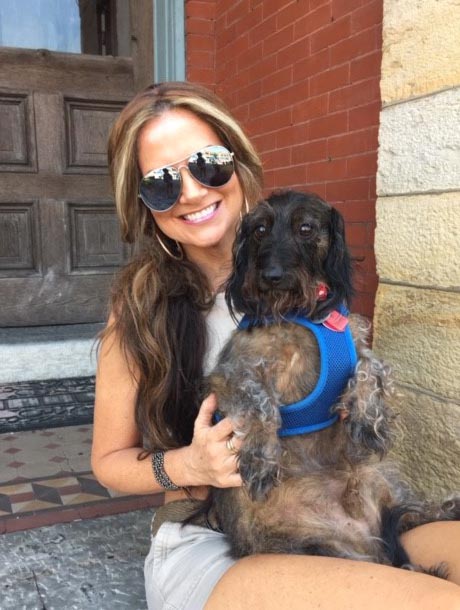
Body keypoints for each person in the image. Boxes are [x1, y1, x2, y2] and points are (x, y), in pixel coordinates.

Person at [92, 81, 460, 610]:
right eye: (162, 184)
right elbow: (107, 462)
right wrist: (189, 465)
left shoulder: (314, 270)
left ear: (237, 163)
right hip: (221, 536)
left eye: (207, 163)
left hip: (356, 506)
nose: (192, 192)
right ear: (143, 204)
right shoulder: (140, 311)